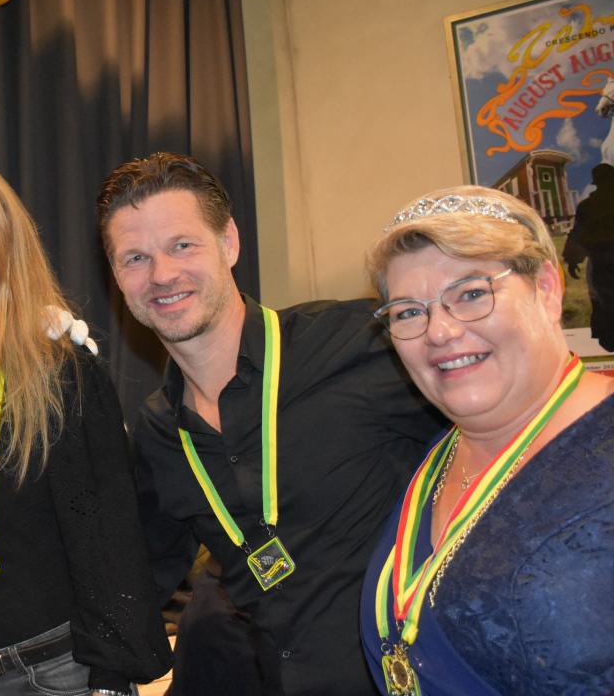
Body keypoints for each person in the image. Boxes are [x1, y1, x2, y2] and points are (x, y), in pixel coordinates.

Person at [95, 152, 445, 695]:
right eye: (135, 258)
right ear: (116, 276)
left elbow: (496, 435)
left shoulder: (362, 344)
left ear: (229, 242)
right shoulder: (160, 433)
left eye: (182, 245)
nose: (162, 275)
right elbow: (137, 581)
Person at [0, 155, 172, 696]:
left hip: (62, 672)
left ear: (5, 258)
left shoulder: (62, 374)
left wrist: (110, 680)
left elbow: (111, 542)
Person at [360, 186, 614, 695]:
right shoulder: (438, 456)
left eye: (471, 294)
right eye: (408, 312)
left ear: (547, 289)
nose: (439, 332)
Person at [563, 163, 614, 351]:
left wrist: (572, 261)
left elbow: (577, 235)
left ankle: (609, 339)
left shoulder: (587, 206)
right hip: (600, 261)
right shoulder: (587, 206)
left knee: (603, 302)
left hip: (599, 262)